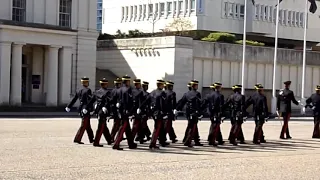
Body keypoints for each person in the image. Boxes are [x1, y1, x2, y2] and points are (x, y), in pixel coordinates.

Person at [138, 79, 168, 149]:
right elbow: (163, 104)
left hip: (153, 113)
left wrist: (140, 107)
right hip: (159, 113)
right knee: (157, 128)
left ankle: (160, 141)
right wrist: (164, 113)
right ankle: (152, 143)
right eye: (162, 84)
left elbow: (146, 101)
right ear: (160, 85)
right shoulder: (162, 93)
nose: (163, 86)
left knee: (158, 127)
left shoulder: (152, 92)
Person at [65, 77, 94, 144]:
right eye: (87, 82)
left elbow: (74, 99)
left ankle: (91, 139)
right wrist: (91, 109)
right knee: (84, 125)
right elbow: (89, 101)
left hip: (80, 109)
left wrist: (69, 106)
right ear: (86, 82)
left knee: (87, 125)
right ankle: (77, 138)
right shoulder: (88, 90)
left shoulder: (79, 90)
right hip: (85, 109)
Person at [112, 75, 137, 150]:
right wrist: (130, 111)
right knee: (122, 127)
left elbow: (113, 100)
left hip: (119, 110)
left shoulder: (118, 90)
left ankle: (131, 143)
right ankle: (116, 144)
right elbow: (128, 101)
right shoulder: (128, 89)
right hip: (125, 111)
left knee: (127, 129)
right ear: (127, 81)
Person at [176, 80, 204, 147]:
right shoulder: (197, 94)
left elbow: (182, 102)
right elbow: (199, 104)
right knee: (192, 127)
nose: (197, 86)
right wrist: (200, 112)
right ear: (194, 86)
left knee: (192, 126)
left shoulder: (186, 94)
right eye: (196, 85)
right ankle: (187, 141)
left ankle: (195, 140)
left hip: (188, 113)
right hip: (194, 113)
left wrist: (177, 108)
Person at [88, 78, 112, 147]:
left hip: (98, 110)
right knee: (101, 127)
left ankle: (109, 140)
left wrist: (90, 109)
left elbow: (91, 101)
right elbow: (109, 102)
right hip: (103, 111)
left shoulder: (96, 92)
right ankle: (96, 142)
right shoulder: (108, 92)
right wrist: (109, 112)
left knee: (104, 126)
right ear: (106, 84)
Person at [131, 79, 145, 144]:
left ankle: (140, 138)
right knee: (136, 125)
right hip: (138, 110)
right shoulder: (140, 92)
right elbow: (141, 101)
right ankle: (131, 139)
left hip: (133, 109)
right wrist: (140, 108)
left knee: (139, 125)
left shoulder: (131, 91)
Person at [110, 78, 122, 142]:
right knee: (117, 124)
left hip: (114, 109)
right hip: (118, 109)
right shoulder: (119, 91)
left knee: (118, 124)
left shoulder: (112, 90)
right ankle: (112, 137)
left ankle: (120, 136)